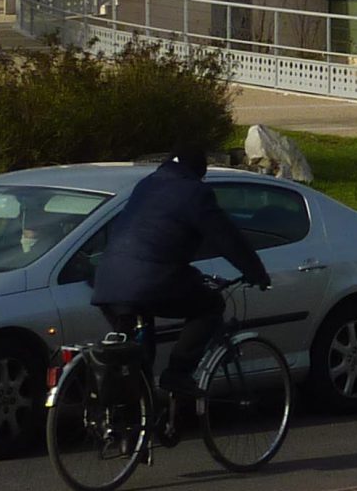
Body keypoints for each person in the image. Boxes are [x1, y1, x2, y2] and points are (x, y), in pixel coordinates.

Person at [90, 150, 271, 429]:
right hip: (151, 280)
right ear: (199, 172)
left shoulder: (146, 185)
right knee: (210, 305)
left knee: (134, 355)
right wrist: (256, 272)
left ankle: (132, 422)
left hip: (108, 281)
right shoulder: (195, 193)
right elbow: (226, 237)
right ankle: (178, 372)